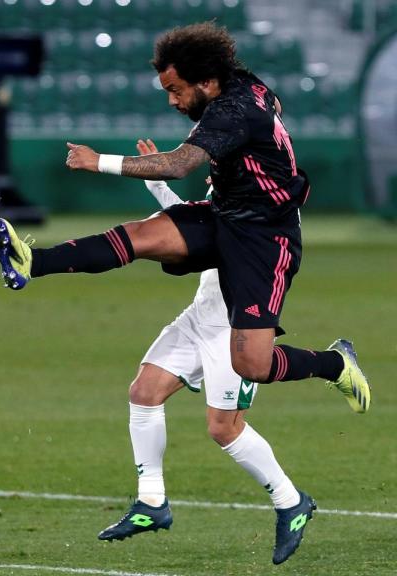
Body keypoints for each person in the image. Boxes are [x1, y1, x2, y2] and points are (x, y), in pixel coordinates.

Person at [0, 21, 371, 559]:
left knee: (251, 366)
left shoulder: (236, 109)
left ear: (209, 83)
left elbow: (182, 160)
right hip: (226, 217)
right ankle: (33, 262)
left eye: (175, 89)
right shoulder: (237, 88)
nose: (171, 100)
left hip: (265, 238)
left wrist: (100, 161)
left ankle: (334, 367)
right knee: (147, 237)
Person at [96, 139, 313, 564]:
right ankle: (151, 502)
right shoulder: (230, 191)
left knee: (224, 429)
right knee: (143, 392)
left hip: (236, 328)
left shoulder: (269, 204)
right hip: (200, 316)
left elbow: (208, 239)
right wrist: (159, 184)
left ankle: (291, 502)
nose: (215, 170)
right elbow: (195, 227)